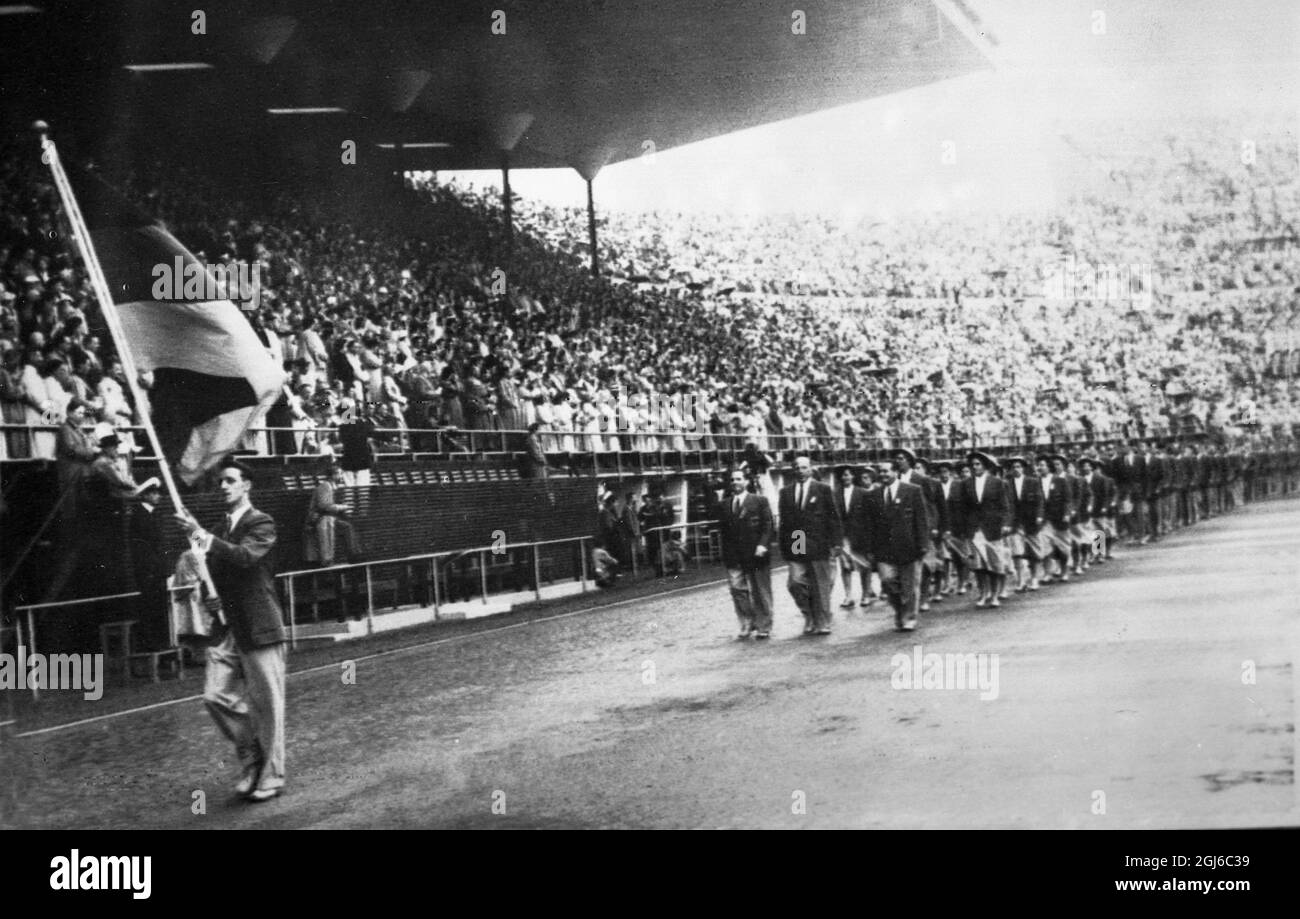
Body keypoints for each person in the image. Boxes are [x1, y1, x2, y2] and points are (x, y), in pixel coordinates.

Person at [176, 457, 288, 803]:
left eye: (229, 480)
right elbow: (220, 571)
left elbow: (243, 558)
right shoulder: (221, 527)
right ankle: (252, 757)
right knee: (214, 696)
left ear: (246, 485)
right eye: (220, 482)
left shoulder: (262, 522)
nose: (223, 486)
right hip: (229, 628)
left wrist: (201, 534)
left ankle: (271, 776)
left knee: (267, 707)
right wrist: (213, 598)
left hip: (259, 626)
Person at [861, 459, 930, 631]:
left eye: (886, 471)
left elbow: (921, 520)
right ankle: (900, 609)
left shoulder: (912, 491)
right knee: (887, 580)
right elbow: (869, 524)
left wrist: (923, 543)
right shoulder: (873, 495)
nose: (883, 474)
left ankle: (908, 617)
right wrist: (869, 549)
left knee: (910, 585)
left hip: (909, 546)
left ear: (895, 472)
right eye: (881, 472)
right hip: (884, 549)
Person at [778, 455, 842, 635]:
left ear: (811, 469)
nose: (801, 471)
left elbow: (833, 518)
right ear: (793, 470)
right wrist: (784, 546)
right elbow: (784, 522)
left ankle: (822, 622)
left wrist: (836, 543)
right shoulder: (786, 492)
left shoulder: (823, 489)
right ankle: (809, 615)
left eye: (804, 467)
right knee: (795, 582)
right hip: (797, 541)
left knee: (820, 586)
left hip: (819, 542)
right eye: (797, 468)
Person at [718, 468, 774, 639]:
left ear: (746, 481)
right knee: (737, 589)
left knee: (760, 591)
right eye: (733, 479)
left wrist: (763, 545)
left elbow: (768, 525)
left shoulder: (759, 501)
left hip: (756, 553)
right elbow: (724, 532)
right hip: (734, 555)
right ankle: (747, 622)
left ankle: (764, 624)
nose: (735, 482)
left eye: (739, 479)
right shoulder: (725, 504)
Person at [960, 451, 1012, 607]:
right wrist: (964, 528)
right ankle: (983, 593)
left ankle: (995, 595)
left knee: (994, 563)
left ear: (985, 466)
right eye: (973, 464)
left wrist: (1005, 524)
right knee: (978, 565)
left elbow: (1005, 507)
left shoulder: (997, 483)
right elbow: (964, 508)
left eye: (978, 464)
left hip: (993, 528)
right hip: (974, 529)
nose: (975, 467)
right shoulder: (966, 484)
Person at [128, 477, 171, 651]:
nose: (157, 496)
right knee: (149, 606)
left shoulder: (154, 515)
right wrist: (150, 568)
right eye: (153, 493)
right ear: (144, 495)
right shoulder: (139, 515)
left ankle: (160, 643)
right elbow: (141, 546)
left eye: (158, 493)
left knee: (159, 606)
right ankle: (150, 644)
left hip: (157, 570)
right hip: (148, 571)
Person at [302, 462, 361, 567]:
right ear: (332, 475)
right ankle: (349, 556)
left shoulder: (332, 487)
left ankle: (353, 555)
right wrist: (343, 507)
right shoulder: (325, 486)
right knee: (344, 527)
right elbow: (324, 506)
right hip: (320, 519)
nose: (341, 476)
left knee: (347, 527)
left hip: (328, 518)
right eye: (339, 474)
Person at [1004, 456, 1046, 592]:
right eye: (1013, 467)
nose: (1016, 469)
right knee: (1017, 552)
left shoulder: (1032, 482)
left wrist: (1039, 516)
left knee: (1033, 551)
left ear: (1023, 468)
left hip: (1031, 521)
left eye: (1019, 467)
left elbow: (1040, 501)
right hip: (1016, 523)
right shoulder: (1007, 484)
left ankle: (1099, 551)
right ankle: (1020, 580)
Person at [833, 465, 871, 608]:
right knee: (845, 566)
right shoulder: (835, 494)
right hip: (843, 535)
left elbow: (869, 516)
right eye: (843, 475)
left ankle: (866, 594)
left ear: (853, 476)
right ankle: (848, 595)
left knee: (864, 565)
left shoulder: (863, 493)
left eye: (848, 475)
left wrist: (869, 535)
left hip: (861, 535)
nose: (846, 478)